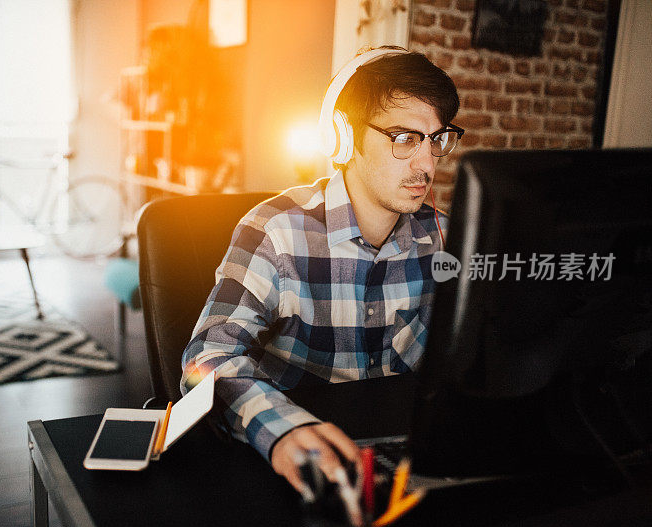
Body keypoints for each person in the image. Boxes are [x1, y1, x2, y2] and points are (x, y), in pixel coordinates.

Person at [181, 46, 462, 493]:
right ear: (343, 138)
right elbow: (208, 358)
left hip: (404, 462)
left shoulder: (447, 238)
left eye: (436, 139)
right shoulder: (275, 231)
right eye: (405, 138)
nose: (427, 165)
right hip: (297, 462)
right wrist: (283, 430)